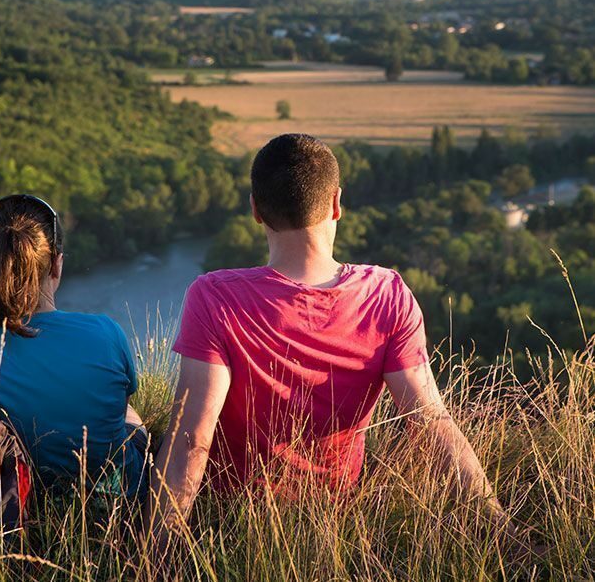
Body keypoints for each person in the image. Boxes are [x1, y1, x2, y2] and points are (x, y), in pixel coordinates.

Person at [150, 133, 522, 547]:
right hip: (333, 527)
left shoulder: (214, 296)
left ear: (255, 210)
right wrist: (503, 533)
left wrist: (156, 555)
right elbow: (433, 425)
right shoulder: (386, 294)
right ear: (336, 204)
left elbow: (192, 437)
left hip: (231, 526)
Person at [0, 193, 148, 500]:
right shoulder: (106, 333)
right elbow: (118, 406)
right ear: (56, 265)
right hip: (113, 503)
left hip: (19, 501)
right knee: (130, 415)